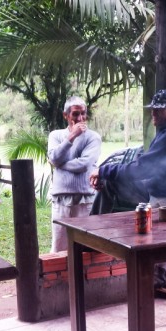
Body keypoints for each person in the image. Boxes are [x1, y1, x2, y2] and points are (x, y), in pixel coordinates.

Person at [89, 89, 166, 289]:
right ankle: (93, 234)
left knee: (115, 188)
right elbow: (150, 168)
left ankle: (92, 236)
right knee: (111, 183)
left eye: (159, 110)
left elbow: (142, 168)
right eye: (153, 109)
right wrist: (106, 174)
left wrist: (104, 170)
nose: (153, 113)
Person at [47, 96, 102, 252]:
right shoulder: (55, 136)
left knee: (85, 247)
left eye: (83, 113)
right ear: (66, 115)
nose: (80, 118)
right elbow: (54, 157)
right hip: (60, 200)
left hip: (85, 200)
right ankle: (60, 277)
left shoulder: (93, 137)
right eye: (76, 114)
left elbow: (84, 164)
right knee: (59, 246)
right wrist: (71, 136)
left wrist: (59, 164)